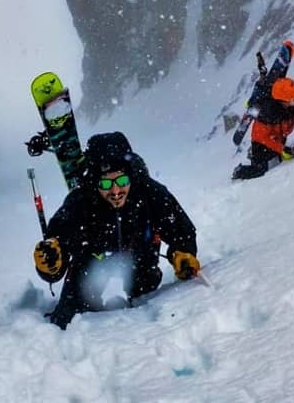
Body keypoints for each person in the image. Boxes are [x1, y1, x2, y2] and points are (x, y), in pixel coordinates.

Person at [33, 131, 200, 329]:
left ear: (131, 175)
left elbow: (182, 230)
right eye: (105, 183)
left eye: (122, 181)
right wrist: (51, 266)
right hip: (93, 259)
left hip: (140, 255)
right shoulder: (79, 201)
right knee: (67, 318)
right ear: (95, 182)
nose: (115, 191)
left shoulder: (149, 191)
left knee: (146, 295)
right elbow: (57, 250)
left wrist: (183, 252)